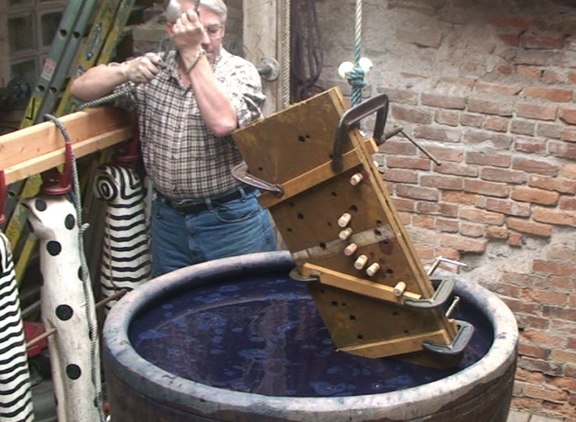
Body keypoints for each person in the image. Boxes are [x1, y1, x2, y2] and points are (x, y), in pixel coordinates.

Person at [70, 0, 277, 277]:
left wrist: (191, 52)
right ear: (171, 30)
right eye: (192, 31)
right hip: (169, 221)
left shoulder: (238, 72)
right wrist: (124, 72)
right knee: (175, 311)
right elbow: (80, 89)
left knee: (243, 310)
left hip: (230, 220)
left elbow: (223, 122)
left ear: (223, 31)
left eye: (212, 30)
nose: (203, 40)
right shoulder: (155, 71)